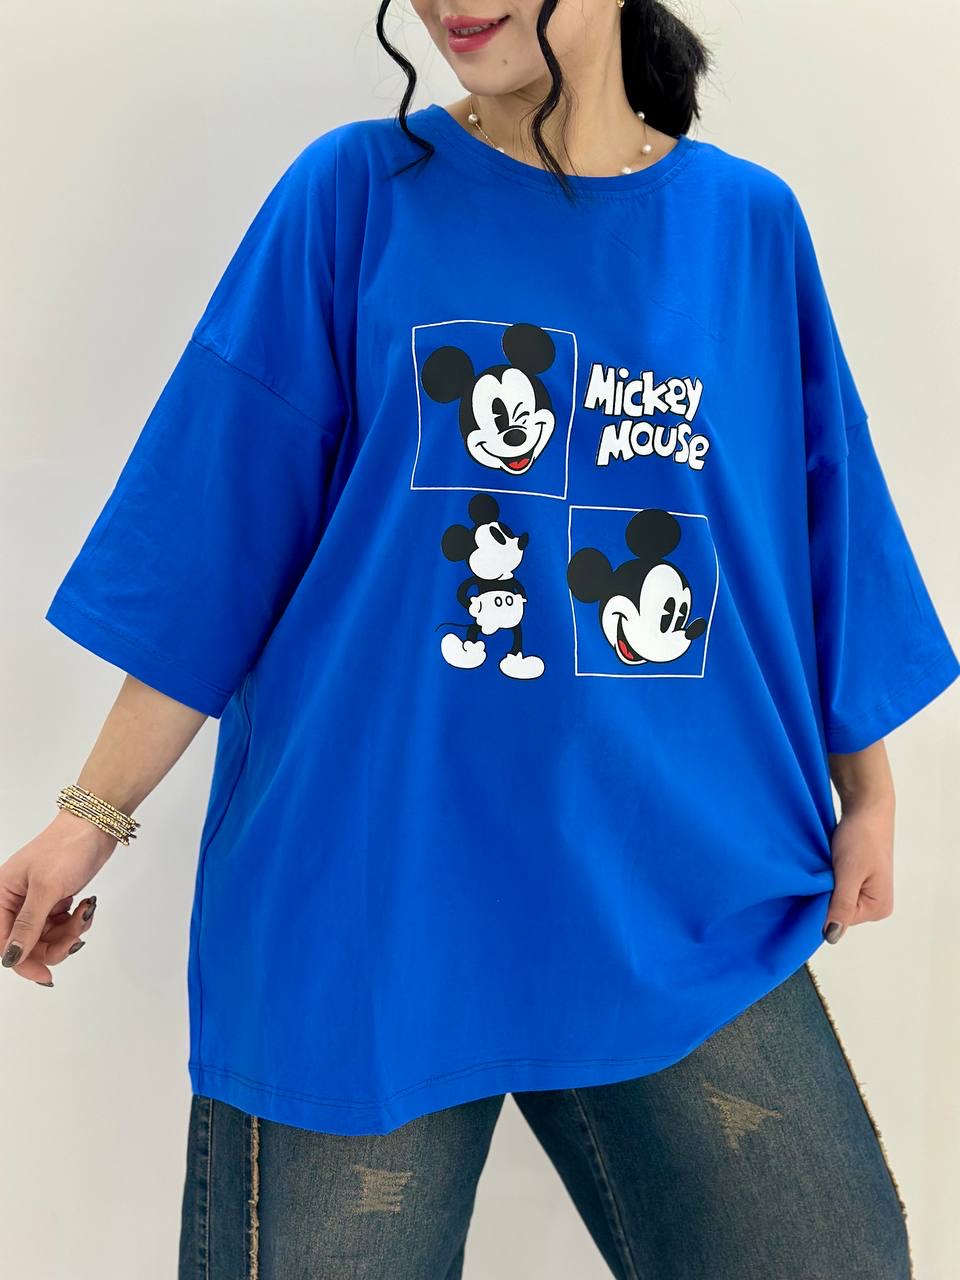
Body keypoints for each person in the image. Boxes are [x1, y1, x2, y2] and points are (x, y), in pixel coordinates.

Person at [4, 1, 956, 1275]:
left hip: (675, 888)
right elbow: (213, 538)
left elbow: (815, 519)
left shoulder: (747, 226)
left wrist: (869, 787)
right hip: (371, 895)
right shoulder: (355, 196)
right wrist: (88, 814)